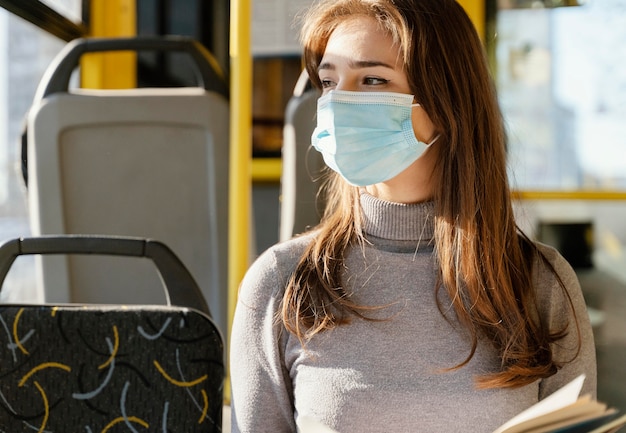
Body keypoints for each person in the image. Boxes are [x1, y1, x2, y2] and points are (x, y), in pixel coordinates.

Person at [229, 0, 597, 431]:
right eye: (329, 82)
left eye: (372, 80)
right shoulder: (280, 282)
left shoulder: (539, 283)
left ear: (446, 102)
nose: (339, 103)